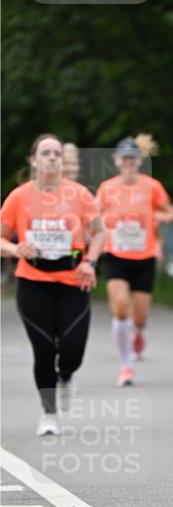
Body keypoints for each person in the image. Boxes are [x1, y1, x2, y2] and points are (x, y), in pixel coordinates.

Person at [1, 133, 103, 435]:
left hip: (73, 279)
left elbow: (98, 233)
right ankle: (49, 413)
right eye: (45, 153)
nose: (52, 158)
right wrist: (14, 249)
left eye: (57, 153)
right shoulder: (19, 197)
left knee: (72, 351)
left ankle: (66, 376)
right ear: (34, 160)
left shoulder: (80, 194)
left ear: (62, 161)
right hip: (33, 282)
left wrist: (90, 262)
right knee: (44, 350)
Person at [97, 134, 173, 386]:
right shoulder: (107, 188)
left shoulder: (151, 186)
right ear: (117, 161)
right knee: (120, 308)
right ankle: (126, 365)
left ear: (139, 162)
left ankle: (139, 332)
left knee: (139, 316)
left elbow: (170, 211)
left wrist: (162, 219)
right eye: (125, 159)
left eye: (133, 159)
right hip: (116, 254)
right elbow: (94, 217)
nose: (129, 163)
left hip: (144, 256)